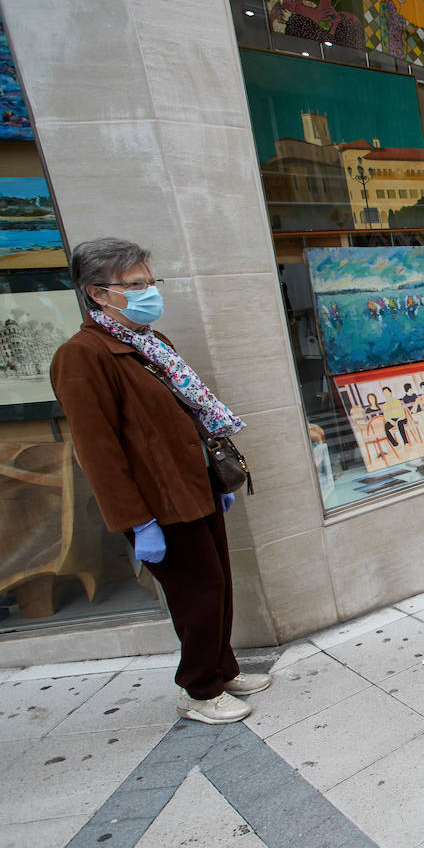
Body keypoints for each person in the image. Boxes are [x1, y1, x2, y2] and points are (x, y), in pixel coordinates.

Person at [49, 238, 271, 725]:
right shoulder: (84, 356)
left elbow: (185, 417)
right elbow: (98, 452)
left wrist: (215, 480)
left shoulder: (149, 343)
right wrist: (137, 521)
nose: (149, 291)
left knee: (218, 585)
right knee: (198, 593)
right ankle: (199, 689)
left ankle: (222, 667)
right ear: (99, 294)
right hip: (159, 504)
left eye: (151, 281)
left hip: (195, 489)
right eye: (136, 284)